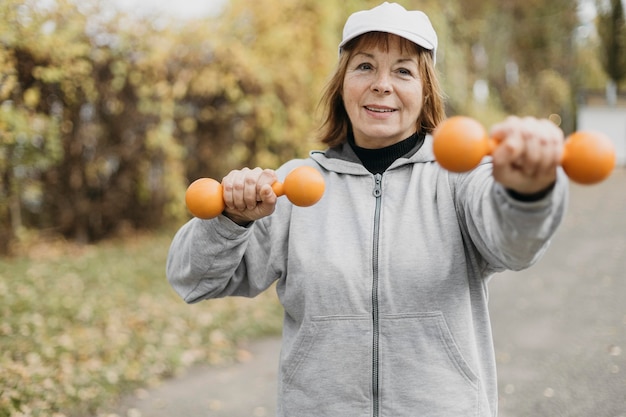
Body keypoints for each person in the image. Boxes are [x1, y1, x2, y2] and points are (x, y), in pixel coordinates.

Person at [166, 2, 568, 416]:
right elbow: (192, 279)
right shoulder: (288, 187)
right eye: (364, 67)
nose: (381, 84)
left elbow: (515, 246)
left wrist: (527, 192)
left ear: (425, 90)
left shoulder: (458, 178)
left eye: (403, 71)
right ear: (342, 84)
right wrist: (231, 220)